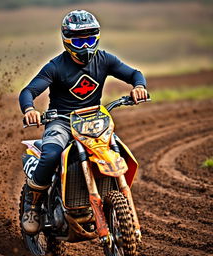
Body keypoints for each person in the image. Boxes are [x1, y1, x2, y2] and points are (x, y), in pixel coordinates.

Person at [19, 10, 147, 234]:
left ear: (97, 37)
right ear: (67, 41)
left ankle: (111, 195)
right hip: (61, 121)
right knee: (50, 154)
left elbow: (134, 73)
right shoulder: (55, 66)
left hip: (93, 120)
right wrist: (30, 109)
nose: (85, 45)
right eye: (79, 40)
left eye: (89, 39)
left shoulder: (105, 59)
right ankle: (33, 205)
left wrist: (139, 86)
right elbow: (29, 90)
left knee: (118, 150)